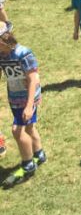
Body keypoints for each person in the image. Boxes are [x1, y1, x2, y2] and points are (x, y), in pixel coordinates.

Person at [0, 21, 46, 187]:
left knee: (17, 130)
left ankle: (28, 165)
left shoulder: (22, 53)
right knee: (28, 127)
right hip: (14, 96)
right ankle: (39, 154)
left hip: (28, 97)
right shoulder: (1, 55)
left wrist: (29, 105)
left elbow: (33, 79)